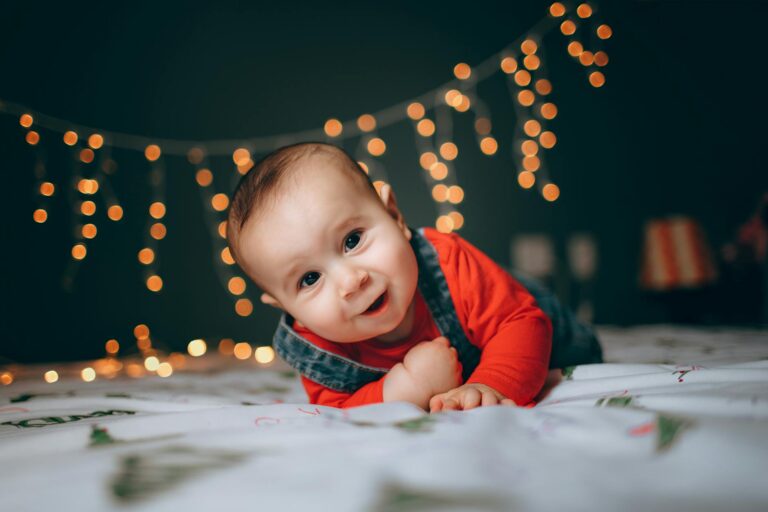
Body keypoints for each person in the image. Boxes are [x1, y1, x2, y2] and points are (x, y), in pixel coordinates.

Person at [226, 142, 601, 412]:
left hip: (538, 323)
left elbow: (520, 322)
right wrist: (407, 389)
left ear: (394, 216)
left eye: (352, 240)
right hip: (447, 369)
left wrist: (490, 385)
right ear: (285, 307)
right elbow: (340, 408)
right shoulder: (318, 349)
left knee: (571, 346)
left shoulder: (449, 263)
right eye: (309, 279)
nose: (350, 281)